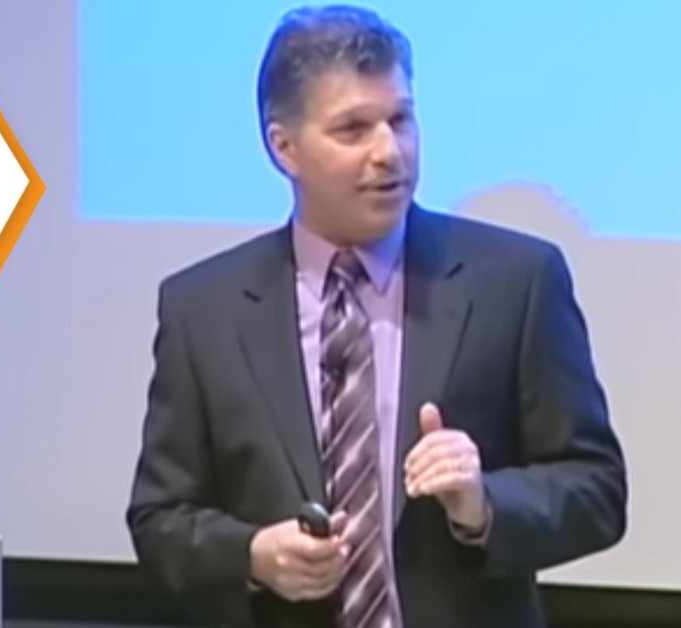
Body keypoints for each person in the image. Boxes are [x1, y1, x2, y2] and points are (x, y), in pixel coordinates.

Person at [126, 5, 627, 627]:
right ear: (284, 147)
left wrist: (483, 504)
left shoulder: (516, 282)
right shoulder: (205, 310)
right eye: (353, 129)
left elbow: (597, 489)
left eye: (401, 119)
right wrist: (253, 556)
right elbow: (160, 519)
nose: (390, 151)